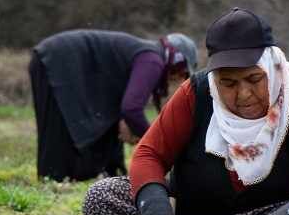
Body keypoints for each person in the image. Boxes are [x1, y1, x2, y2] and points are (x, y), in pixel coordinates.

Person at [81, 8, 289, 215]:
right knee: (102, 199)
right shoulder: (197, 94)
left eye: (254, 79)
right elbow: (149, 155)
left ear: (272, 68)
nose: (243, 94)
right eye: (228, 83)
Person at [29, 30, 198, 181]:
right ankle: (52, 178)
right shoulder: (152, 60)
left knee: (101, 121)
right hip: (55, 59)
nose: (179, 77)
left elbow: (126, 108)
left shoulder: (148, 55)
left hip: (60, 59)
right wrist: (153, 142)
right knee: (56, 125)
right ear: (176, 60)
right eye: (182, 71)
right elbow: (131, 109)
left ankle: (105, 173)